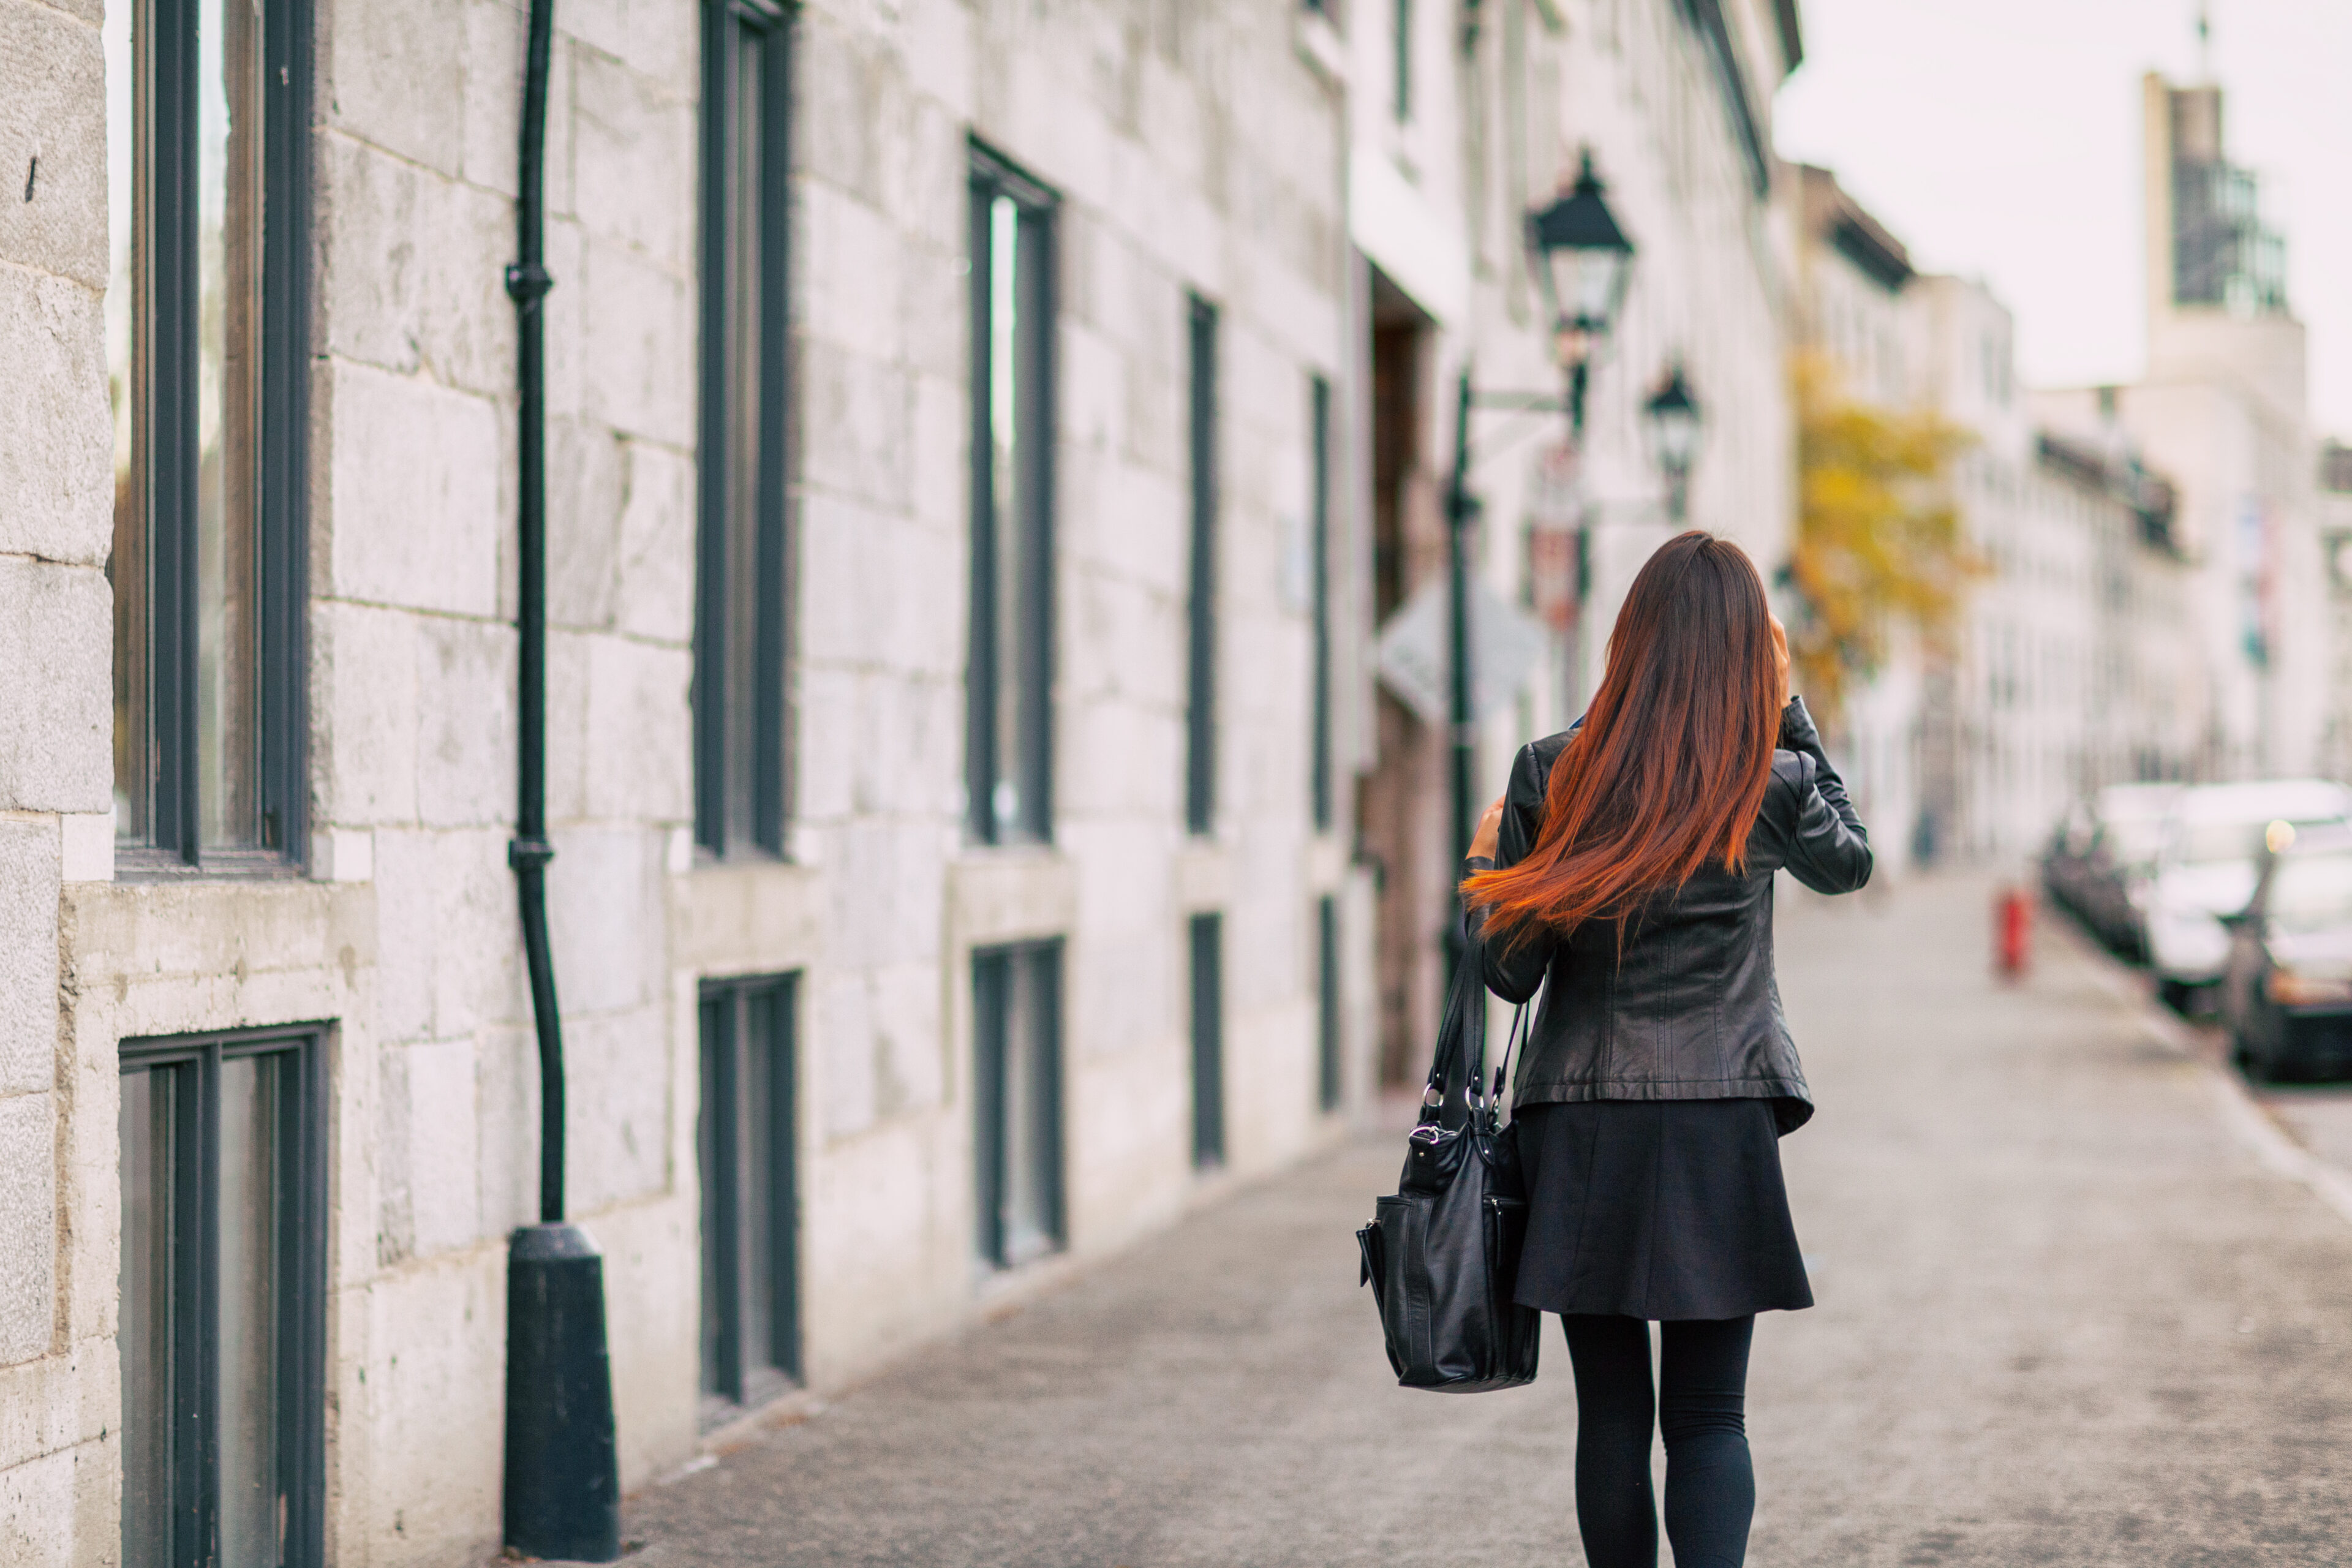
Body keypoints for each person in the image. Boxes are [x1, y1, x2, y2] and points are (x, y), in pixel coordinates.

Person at [1461, 529, 1871, 1568]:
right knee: (1708, 1417)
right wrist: (1790, 709)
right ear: (1748, 653)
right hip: (1717, 1118)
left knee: (1611, 1417)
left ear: (1629, 642)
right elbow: (1851, 859)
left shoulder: (1554, 774)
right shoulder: (1766, 780)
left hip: (1581, 1122)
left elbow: (1506, 974)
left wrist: (1489, 865)